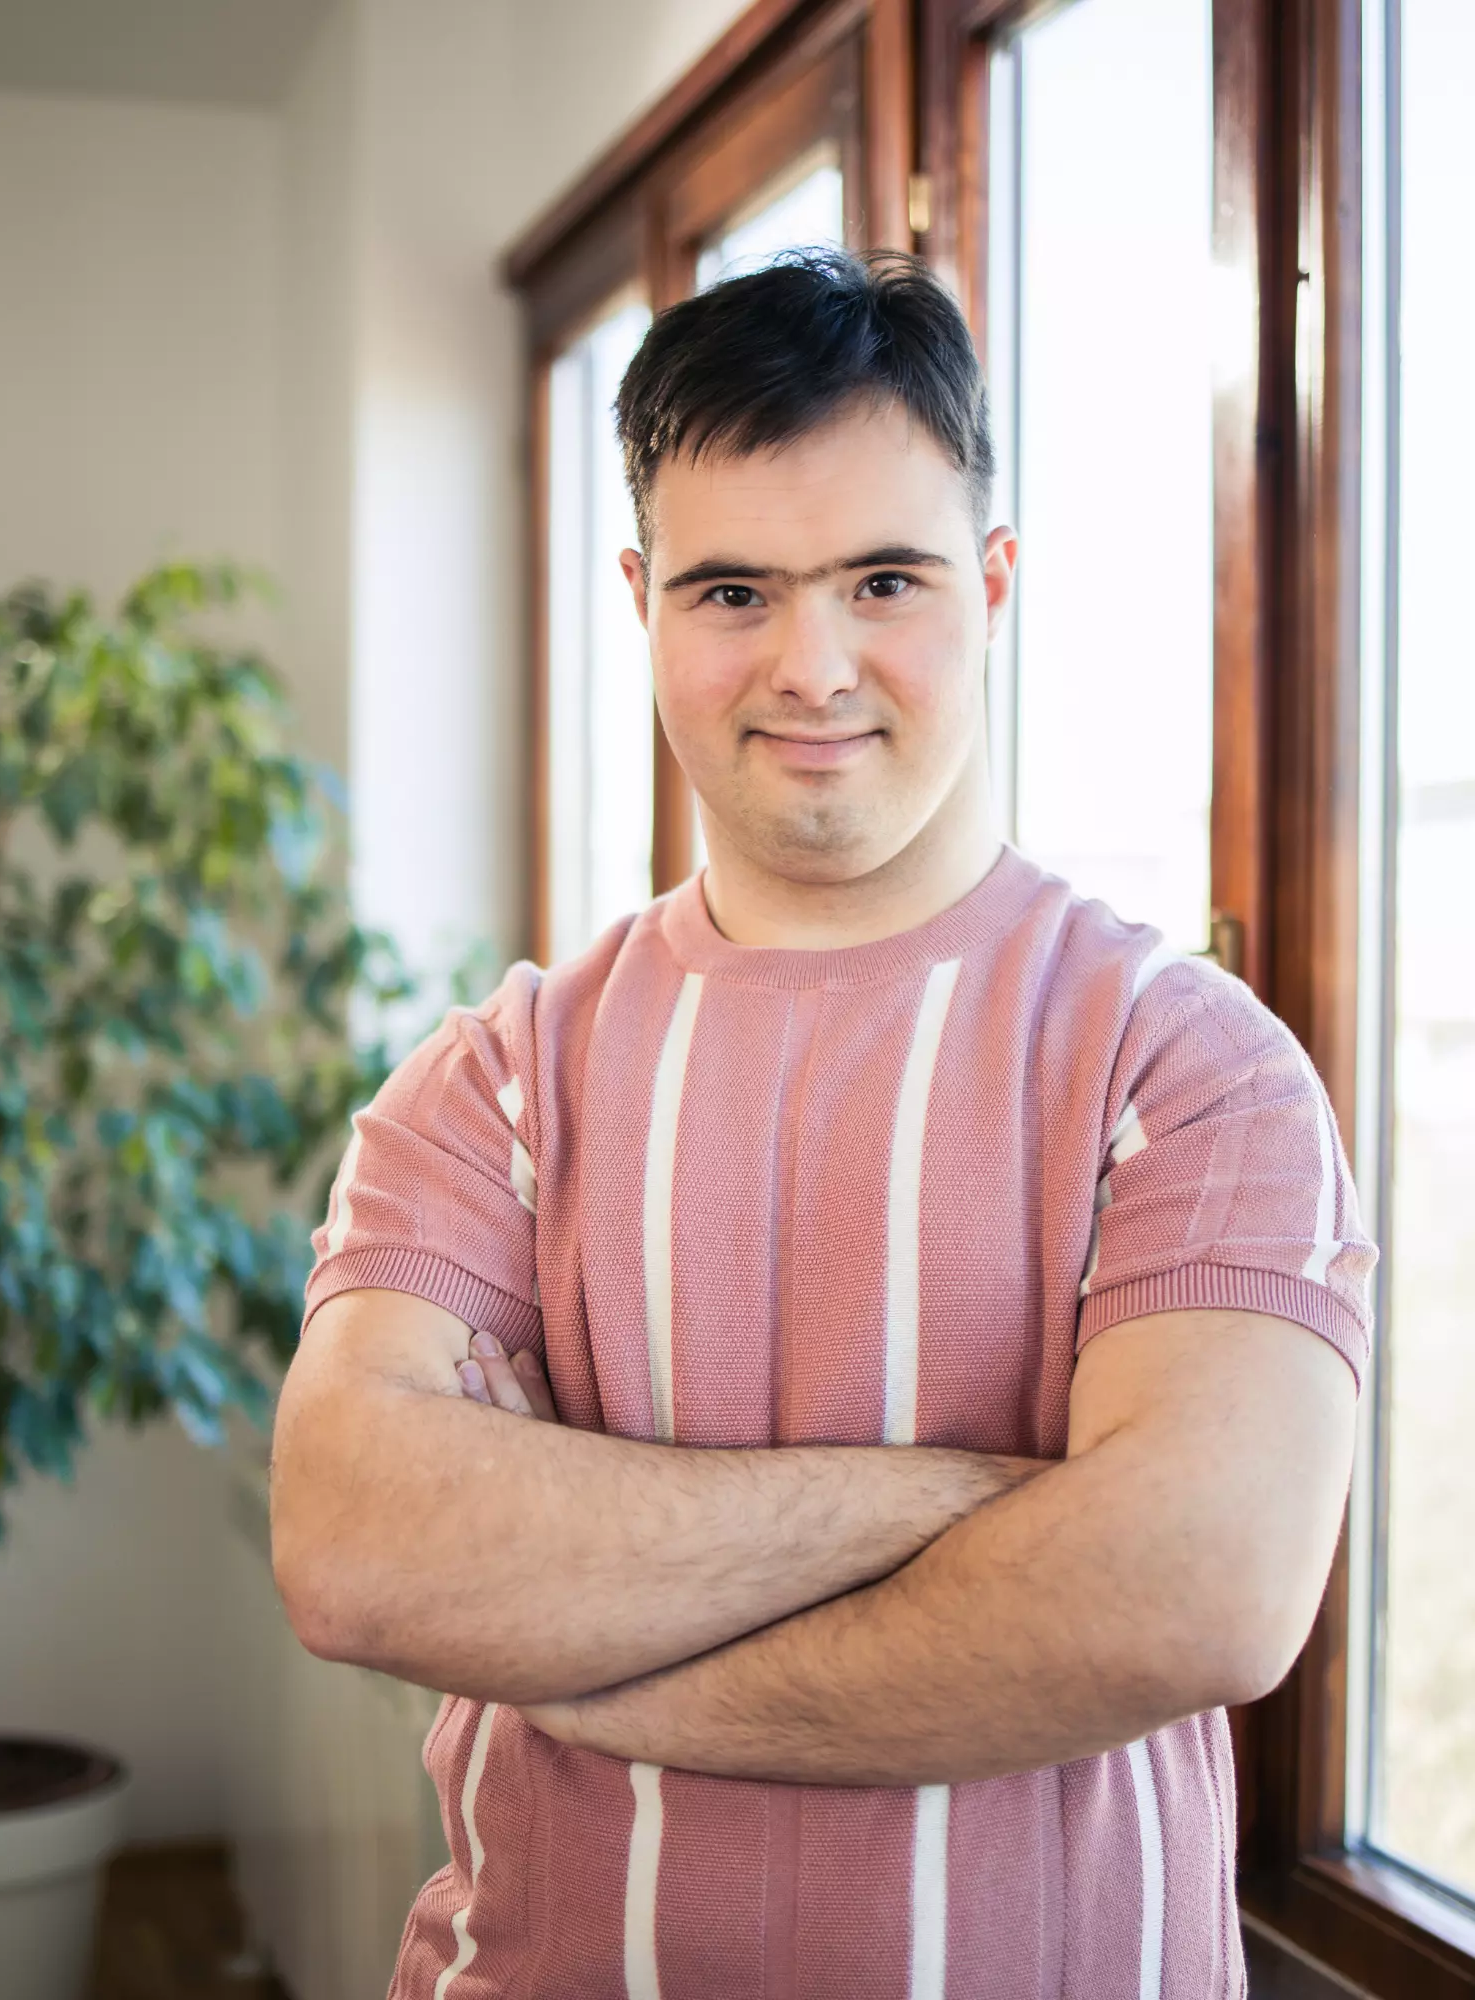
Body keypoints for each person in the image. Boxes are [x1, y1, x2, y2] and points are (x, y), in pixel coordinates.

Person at [270, 249, 1375, 2000]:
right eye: (732, 592)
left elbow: (1198, 1597)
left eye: (884, 578)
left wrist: (589, 1655)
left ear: (993, 585)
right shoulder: (496, 1078)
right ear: (641, 602)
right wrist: (961, 1506)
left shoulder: (1188, 1067)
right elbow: (354, 1545)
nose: (814, 665)